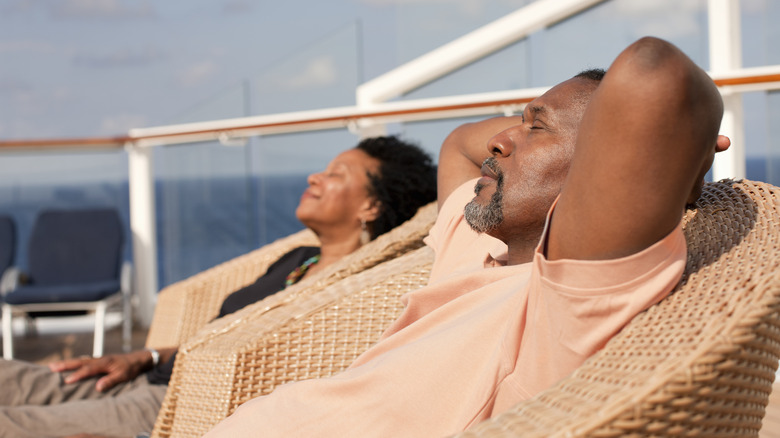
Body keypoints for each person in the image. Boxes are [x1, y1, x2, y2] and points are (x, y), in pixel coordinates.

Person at [201, 37, 731, 437]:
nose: (497, 140)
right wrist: (537, 127)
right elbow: (457, 144)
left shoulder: (563, 300)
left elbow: (654, 73)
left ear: (600, 166)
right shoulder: (480, 243)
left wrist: (683, 158)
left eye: (536, 128)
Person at [0, 135, 438, 438]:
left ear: (371, 204)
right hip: (148, 377)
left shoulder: (353, 294)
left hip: (175, 405)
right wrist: (142, 355)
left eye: (336, 174)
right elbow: (220, 336)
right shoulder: (297, 260)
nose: (314, 178)